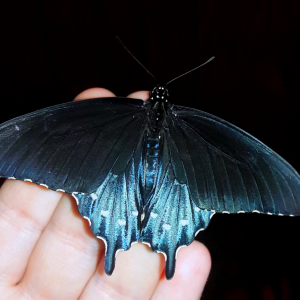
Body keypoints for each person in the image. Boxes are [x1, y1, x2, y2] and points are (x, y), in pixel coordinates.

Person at [0, 88, 211, 299]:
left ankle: (122, 251)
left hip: (143, 185)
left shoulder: (108, 114)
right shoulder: (198, 126)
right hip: (140, 184)